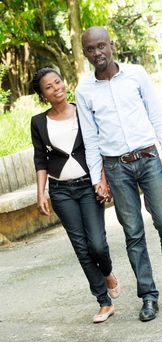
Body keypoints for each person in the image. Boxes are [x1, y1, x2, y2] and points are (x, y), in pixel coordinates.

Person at [75, 26, 162, 322]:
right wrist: (96, 180)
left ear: (111, 45)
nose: (97, 53)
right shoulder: (84, 90)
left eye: (101, 46)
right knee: (133, 234)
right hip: (116, 167)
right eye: (90, 49)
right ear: (85, 52)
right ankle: (148, 296)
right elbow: (90, 140)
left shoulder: (136, 74)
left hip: (149, 158)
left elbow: (156, 114)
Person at [31, 67, 120, 323]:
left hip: (88, 186)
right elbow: (40, 160)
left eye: (57, 82)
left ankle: (108, 272)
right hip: (60, 191)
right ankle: (103, 301)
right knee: (81, 248)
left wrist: (103, 181)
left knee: (97, 244)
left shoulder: (83, 111)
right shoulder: (38, 122)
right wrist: (41, 193)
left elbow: (99, 147)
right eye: (49, 86)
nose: (56, 88)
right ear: (42, 94)